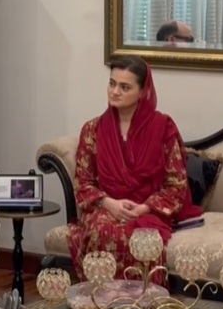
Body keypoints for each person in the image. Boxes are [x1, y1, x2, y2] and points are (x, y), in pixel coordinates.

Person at [67, 54, 202, 283]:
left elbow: (176, 185)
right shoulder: (93, 129)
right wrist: (109, 203)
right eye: (112, 84)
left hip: (148, 209)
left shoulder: (163, 127)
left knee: (140, 238)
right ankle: (103, 297)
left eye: (124, 87)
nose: (114, 92)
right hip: (107, 206)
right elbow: (83, 183)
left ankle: (141, 300)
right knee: (103, 231)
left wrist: (142, 209)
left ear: (142, 92)